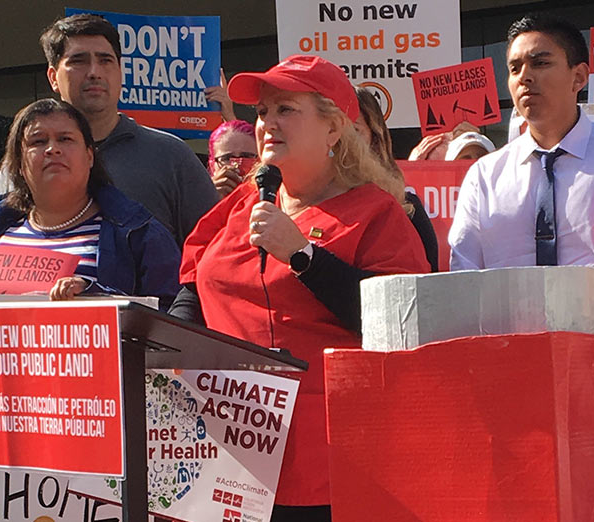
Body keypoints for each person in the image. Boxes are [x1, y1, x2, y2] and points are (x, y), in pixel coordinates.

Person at [170, 54, 429, 521]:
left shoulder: (376, 212)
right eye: (263, 112)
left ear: (333, 129)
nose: (268, 123)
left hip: (326, 459)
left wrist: (303, 256)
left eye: (286, 109)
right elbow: (193, 281)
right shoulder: (244, 202)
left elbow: (400, 323)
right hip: (226, 446)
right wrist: (171, 353)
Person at [449, 13, 594, 335]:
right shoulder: (484, 175)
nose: (524, 77)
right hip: (506, 357)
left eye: (540, 63)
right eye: (514, 68)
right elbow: (464, 269)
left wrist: (583, 326)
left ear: (578, 77)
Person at [0, 13, 219, 246]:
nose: (94, 72)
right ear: (53, 77)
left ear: (121, 72)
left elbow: (213, 252)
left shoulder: (171, 156)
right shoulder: (25, 163)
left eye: (105, 60)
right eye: (78, 61)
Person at [0, 99, 181, 309]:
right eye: (38, 142)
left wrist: (96, 296)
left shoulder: (137, 231)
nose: (52, 149)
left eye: (65, 139)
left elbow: (172, 318)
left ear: (90, 156)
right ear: (18, 163)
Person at [355, 86, 439, 271]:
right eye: (335, 130)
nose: (343, 141)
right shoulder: (307, 200)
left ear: (375, 138)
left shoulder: (407, 206)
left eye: (354, 131)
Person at [207, 120, 258, 198]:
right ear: (212, 164)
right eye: (227, 158)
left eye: (246, 156)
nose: (236, 166)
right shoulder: (201, 200)